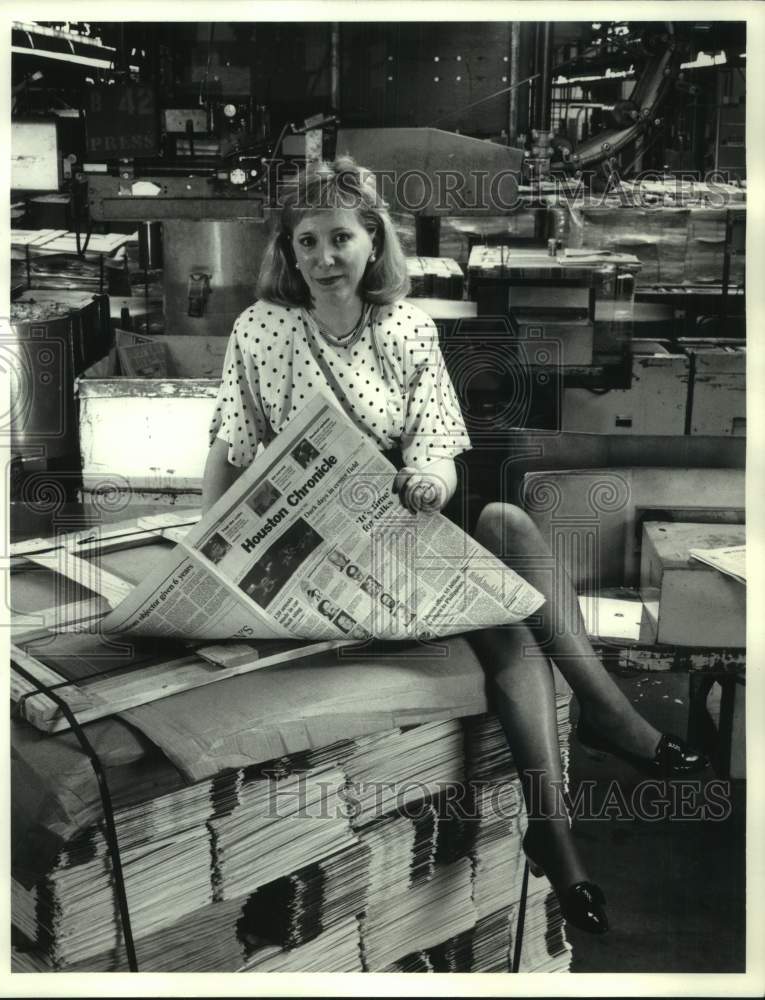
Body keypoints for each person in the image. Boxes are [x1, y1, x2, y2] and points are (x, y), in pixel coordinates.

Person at [203, 156, 708, 935]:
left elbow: (436, 440)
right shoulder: (261, 329)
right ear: (287, 251)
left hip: (400, 537)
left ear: (373, 241)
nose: (322, 260)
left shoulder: (405, 328)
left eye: (339, 238)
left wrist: (430, 483)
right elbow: (230, 444)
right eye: (305, 243)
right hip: (311, 560)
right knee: (504, 606)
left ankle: (557, 822)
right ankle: (604, 735)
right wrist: (212, 547)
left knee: (503, 528)